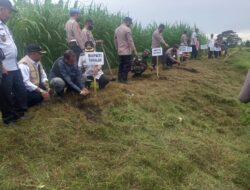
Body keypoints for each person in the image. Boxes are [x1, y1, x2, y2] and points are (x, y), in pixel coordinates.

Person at [0, 0, 28, 125]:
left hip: (14, 65)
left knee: (20, 89)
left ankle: (19, 113)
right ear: (2, 9)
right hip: (4, 67)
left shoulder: (4, 26)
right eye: (9, 11)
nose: (9, 14)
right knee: (6, 94)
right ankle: (8, 119)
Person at [114, 17, 137, 83]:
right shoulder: (127, 29)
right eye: (130, 23)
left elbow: (115, 40)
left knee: (121, 65)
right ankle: (124, 79)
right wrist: (134, 50)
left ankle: (119, 79)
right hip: (126, 51)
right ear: (127, 21)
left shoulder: (117, 29)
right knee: (127, 65)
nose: (130, 24)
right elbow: (130, 41)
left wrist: (117, 48)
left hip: (120, 51)